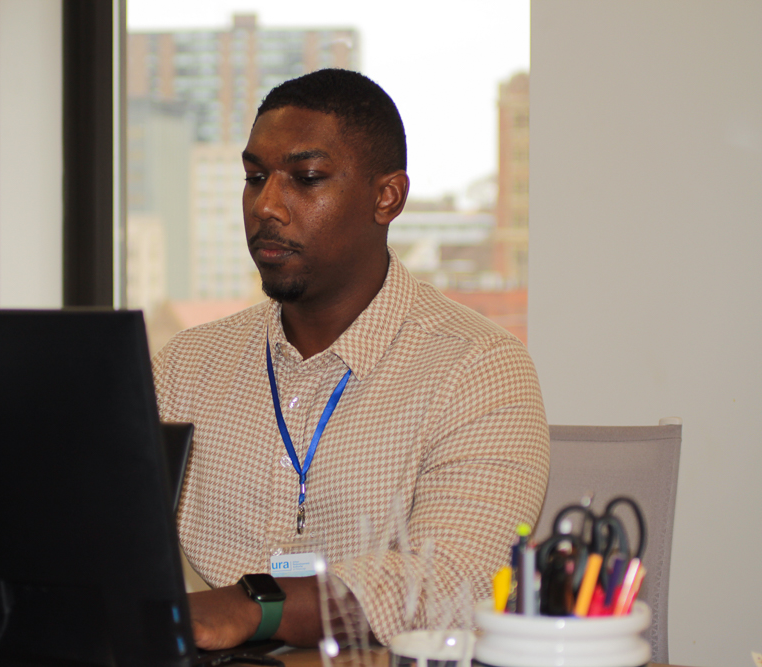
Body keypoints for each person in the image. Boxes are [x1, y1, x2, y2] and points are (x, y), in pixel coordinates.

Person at [152, 68, 549, 651]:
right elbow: (103, 546)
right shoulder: (187, 366)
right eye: (254, 177)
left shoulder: (480, 369)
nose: (267, 205)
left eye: (305, 178)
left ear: (386, 197)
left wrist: (251, 605)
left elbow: (450, 584)